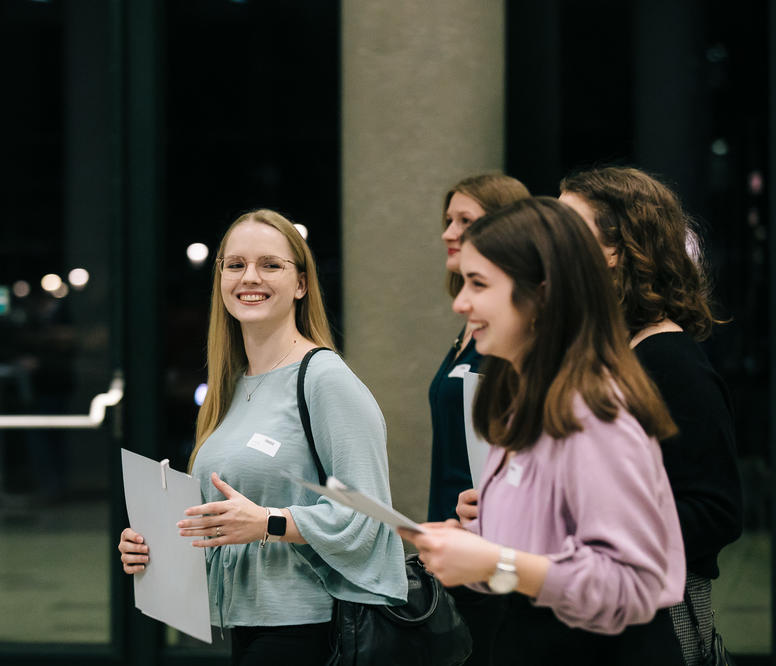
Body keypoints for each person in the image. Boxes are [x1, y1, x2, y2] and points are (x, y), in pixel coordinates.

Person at [402, 197, 686, 665]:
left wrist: (495, 562)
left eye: (478, 283)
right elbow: (536, 556)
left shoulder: (595, 412)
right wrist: (474, 546)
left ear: (543, 294)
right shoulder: (523, 399)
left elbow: (631, 585)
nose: (460, 302)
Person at [118, 209, 407, 665]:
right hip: (247, 623)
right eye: (235, 265)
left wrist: (269, 522)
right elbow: (227, 518)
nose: (249, 277)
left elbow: (369, 516)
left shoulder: (324, 379)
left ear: (301, 284)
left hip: (314, 627)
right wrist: (155, 544)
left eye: (270, 264)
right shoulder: (231, 386)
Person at [559, 166, 743, 665]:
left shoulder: (671, 362)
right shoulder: (608, 351)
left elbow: (717, 513)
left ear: (617, 252)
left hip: (653, 622)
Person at [429, 173, 530, 666]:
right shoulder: (470, 329)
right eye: (448, 220)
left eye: (465, 221)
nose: (449, 232)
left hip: (500, 552)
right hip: (460, 547)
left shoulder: (520, 342)